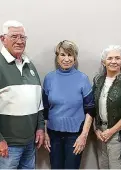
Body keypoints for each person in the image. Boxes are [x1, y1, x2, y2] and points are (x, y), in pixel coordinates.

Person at [0, 20, 44, 169]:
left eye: (23, 37)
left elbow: (38, 102)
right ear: (3, 39)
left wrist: (40, 127)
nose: (19, 41)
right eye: (14, 36)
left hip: (30, 143)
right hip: (7, 144)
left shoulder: (29, 65)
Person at [42, 40, 95, 169]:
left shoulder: (82, 78)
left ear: (75, 58)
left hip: (75, 135)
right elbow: (44, 109)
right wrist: (45, 133)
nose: (66, 59)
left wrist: (84, 135)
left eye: (70, 55)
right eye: (62, 55)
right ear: (57, 57)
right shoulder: (49, 78)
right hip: (53, 134)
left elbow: (90, 110)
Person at [93, 45, 121, 169]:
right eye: (110, 58)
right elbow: (93, 107)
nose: (113, 61)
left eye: (117, 58)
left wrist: (111, 131)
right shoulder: (98, 80)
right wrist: (96, 129)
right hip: (100, 133)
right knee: (103, 166)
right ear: (104, 62)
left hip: (118, 134)